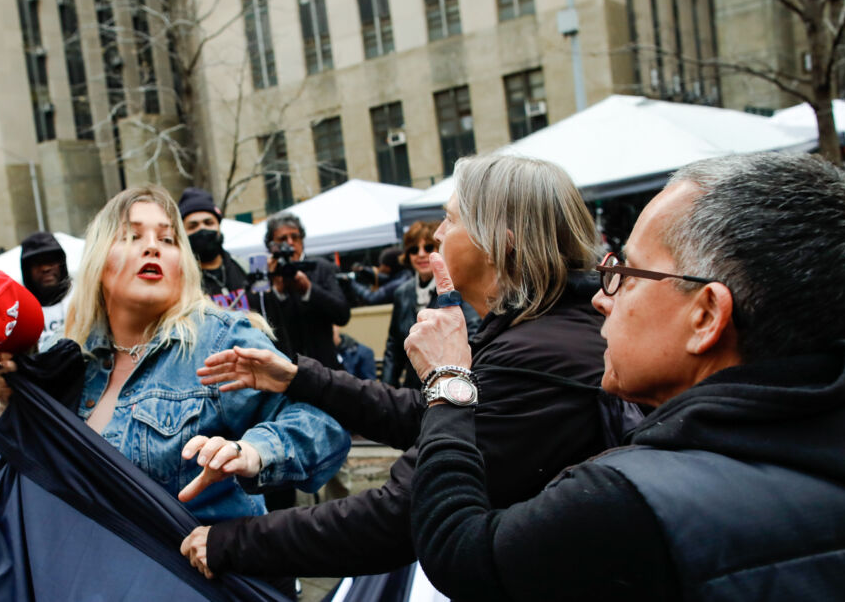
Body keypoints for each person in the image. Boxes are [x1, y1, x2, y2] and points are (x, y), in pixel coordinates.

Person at [407, 153, 845, 601]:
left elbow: (462, 553)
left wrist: (451, 382)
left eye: (626, 273)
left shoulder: (632, 501)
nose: (604, 301)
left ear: (705, 316)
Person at [182, 155, 638, 580]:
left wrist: (231, 541)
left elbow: (400, 512)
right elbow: (428, 419)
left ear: (499, 244)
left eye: (451, 219)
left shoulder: (538, 354)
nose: (437, 234)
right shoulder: (536, 330)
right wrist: (299, 378)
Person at [0, 186, 350, 530]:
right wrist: (8, 404)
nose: (152, 247)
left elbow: (322, 424)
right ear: (99, 260)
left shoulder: (221, 339)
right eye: (132, 236)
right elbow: (19, 482)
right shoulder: (71, 361)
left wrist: (251, 451)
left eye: (168, 239)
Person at [383, 221, 479, 388]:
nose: (421, 254)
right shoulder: (402, 293)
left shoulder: (454, 288)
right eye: (414, 249)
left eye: (428, 248)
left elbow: (472, 337)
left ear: (438, 250)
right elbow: (394, 349)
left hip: (449, 387)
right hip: (412, 392)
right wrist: (387, 389)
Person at [261, 213, 351, 369]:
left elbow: (342, 314)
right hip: (285, 367)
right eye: (282, 239)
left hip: (324, 366)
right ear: (271, 246)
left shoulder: (321, 267)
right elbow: (264, 326)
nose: (290, 243)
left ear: (302, 241)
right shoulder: (264, 275)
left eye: (295, 237)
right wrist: (277, 292)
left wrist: (309, 290)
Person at [179, 187, 258, 312]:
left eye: (208, 223)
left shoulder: (244, 267)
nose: (202, 229)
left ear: (219, 226)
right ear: (183, 233)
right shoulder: (181, 283)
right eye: (193, 226)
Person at [19, 231, 73, 348]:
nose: (45, 268)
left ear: (61, 263)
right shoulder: (19, 314)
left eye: (51, 260)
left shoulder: (83, 300)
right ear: (27, 270)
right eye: (37, 263)